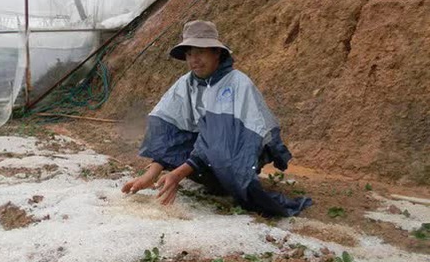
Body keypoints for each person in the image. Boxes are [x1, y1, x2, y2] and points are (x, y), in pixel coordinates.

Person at [121, 20, 311, 217]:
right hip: (207, 158)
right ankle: (208, 176)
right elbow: (168, 131)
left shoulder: (237, 83)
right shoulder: (186, 83)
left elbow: (223, 139)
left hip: (240, 154)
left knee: (223, 152)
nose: (194, 59)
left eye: (200, 52)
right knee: (167, 123)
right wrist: (150, 175)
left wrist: (178, 173)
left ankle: (230, 181)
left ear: (217, 52)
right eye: (189, 54)